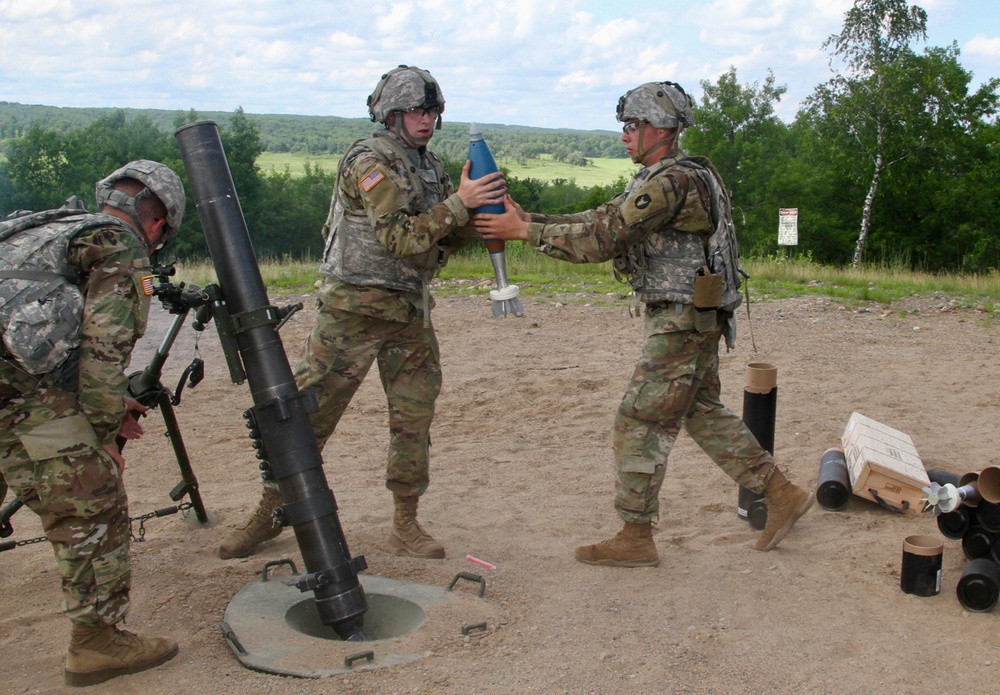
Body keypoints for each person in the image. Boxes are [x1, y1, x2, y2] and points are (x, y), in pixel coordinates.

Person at [474, 81, 813, 567]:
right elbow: (605, 216)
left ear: (660, 128)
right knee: (700, 412)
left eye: (632, 127)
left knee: (639, 419)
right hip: (692, 315)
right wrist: (533, 218)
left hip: (683, 319)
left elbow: (605, 237)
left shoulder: (672, 183)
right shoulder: (670, 176)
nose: (624, 137)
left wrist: (524, 232)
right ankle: (780, 493)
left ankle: (635, 534)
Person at [218, 65, 505, 561]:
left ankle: (406, 523)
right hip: (350, 314)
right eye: (416, 110)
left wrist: (482, 212)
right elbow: (399, 238)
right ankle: (268, 512)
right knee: (307, 419)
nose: (426, 118)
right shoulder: (369, 162)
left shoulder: (430, 166)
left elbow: (440, 237)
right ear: (391, 114)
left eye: (433, 110)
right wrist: (461, 203)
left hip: (409, 313)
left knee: (414, 419)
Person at [0, 160, 185, 685]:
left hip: (11, 381)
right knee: (90, 498)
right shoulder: (121, 246)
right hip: (22, 394)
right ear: (157, 226)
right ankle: (97, 643)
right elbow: (104, 355)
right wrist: (103, 436)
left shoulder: (49, 227)